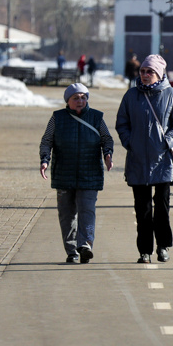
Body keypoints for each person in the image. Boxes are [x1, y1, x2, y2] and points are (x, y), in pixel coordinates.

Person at [115, 54, 173, 263]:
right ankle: (144, 251)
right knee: (143, 210)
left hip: (163, 161)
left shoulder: (171, 95)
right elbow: (122, 123)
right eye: (143, 71)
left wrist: (167, 142)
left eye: (150, 72)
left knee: (162, 208)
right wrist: (130, 142)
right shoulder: (131, 96)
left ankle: (163, 246)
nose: (145, 75)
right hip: (138, 161)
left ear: (159, 74)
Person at [40, 83, 115, 264]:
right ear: (68, 101)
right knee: (66, 214)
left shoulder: (97, 117)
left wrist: (108, 154)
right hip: (64, 174)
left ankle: (85, 245)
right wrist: (44, 160)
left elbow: (106, 138)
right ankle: (72, 250)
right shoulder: (57, 118)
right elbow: (47, 140)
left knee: (87, 210)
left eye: (83, 97)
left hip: (90, 173)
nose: (80, 101)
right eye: (76, 98)